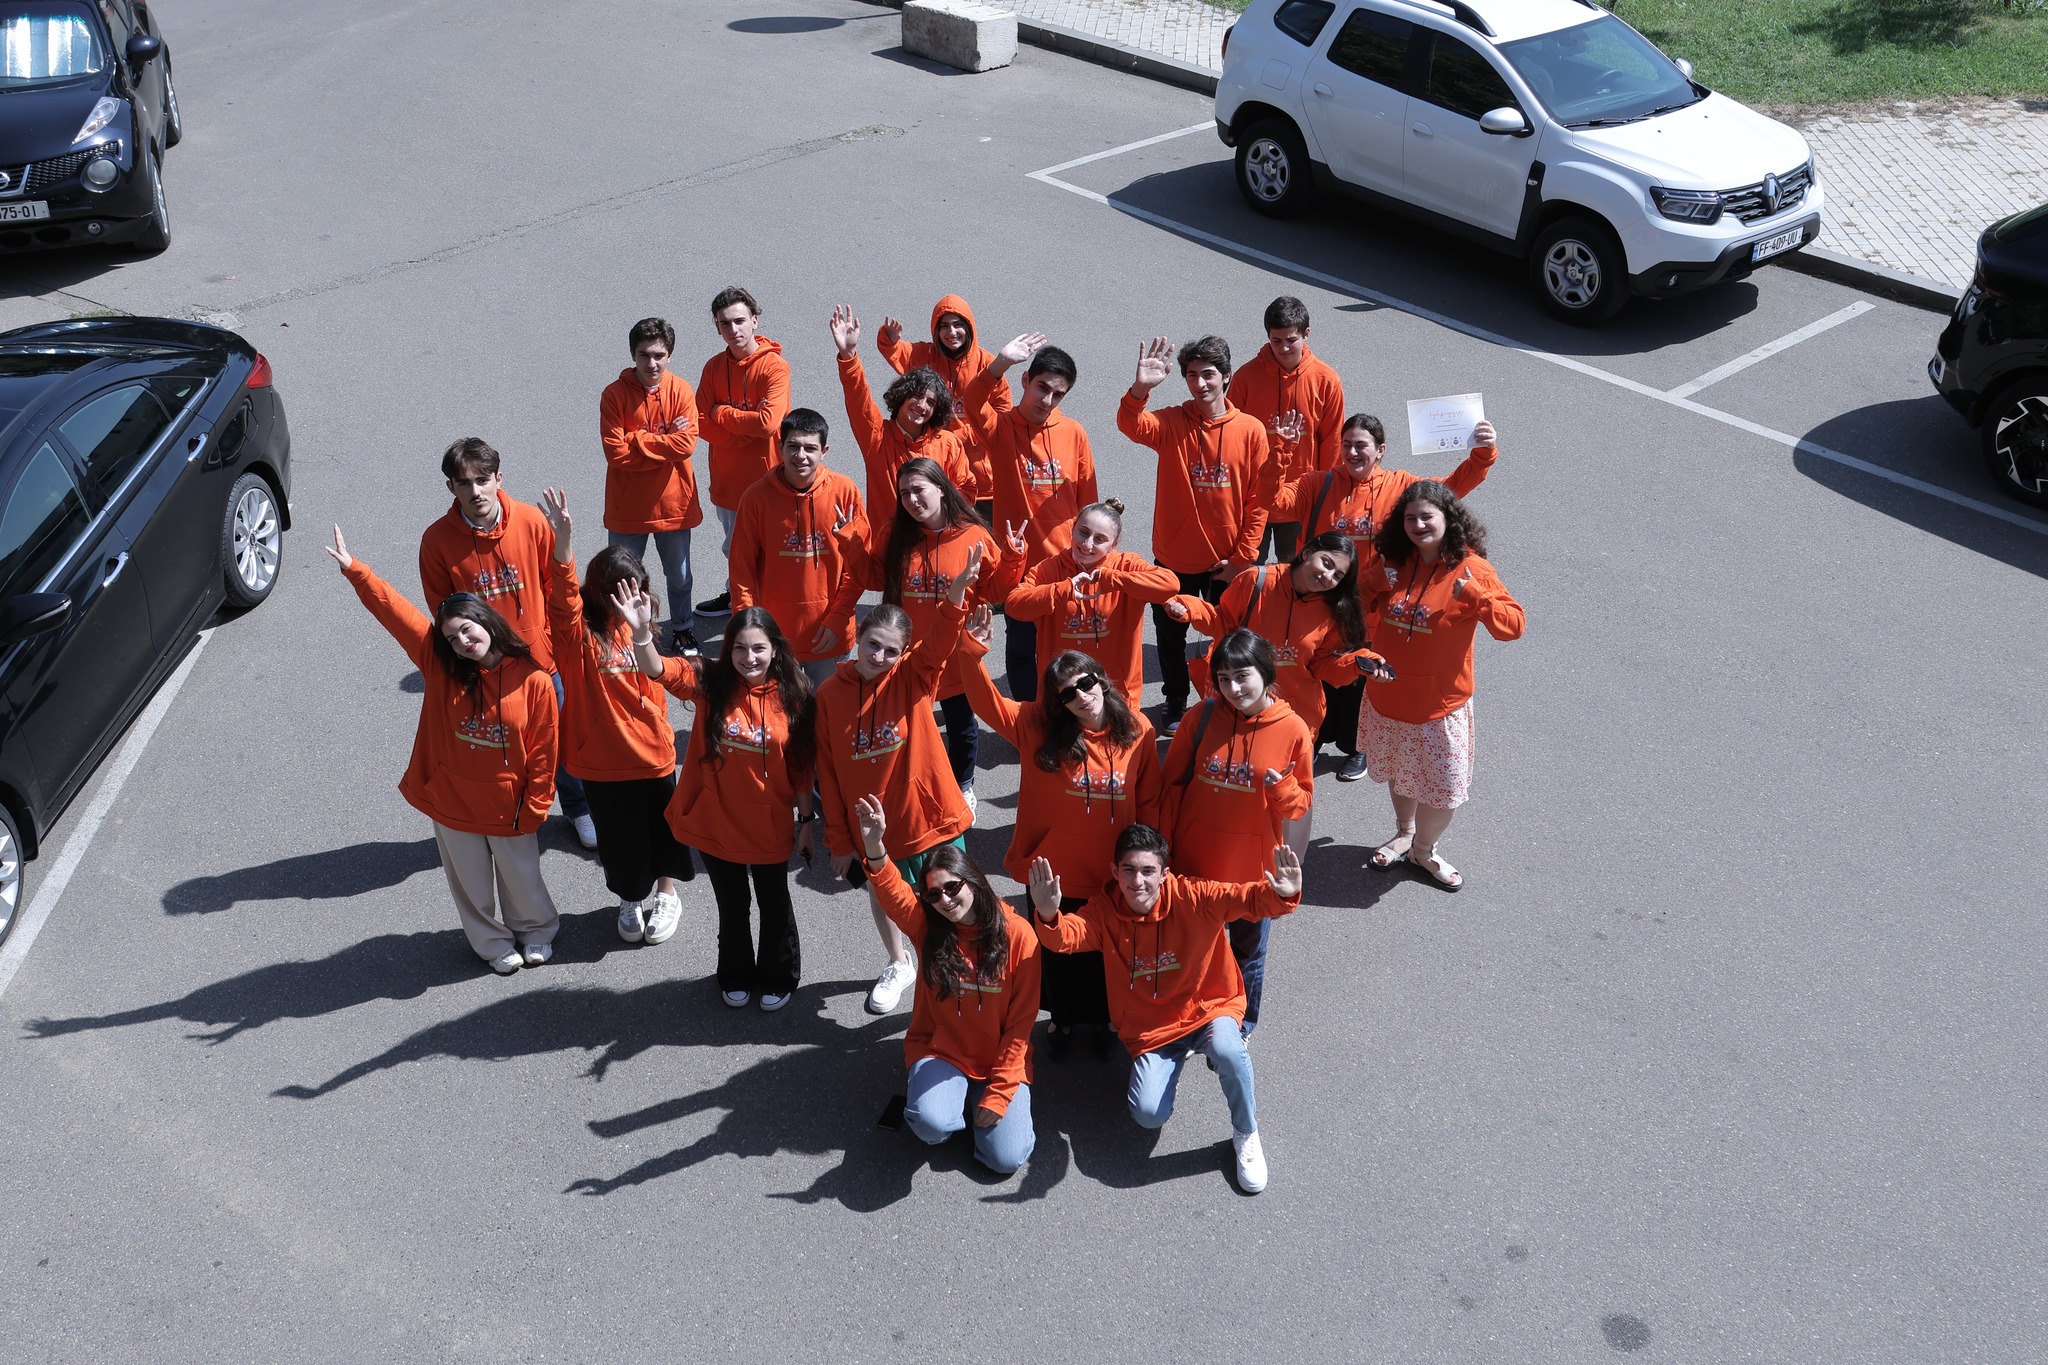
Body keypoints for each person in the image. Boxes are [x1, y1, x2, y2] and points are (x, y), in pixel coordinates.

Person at [328, 527, 560, 975]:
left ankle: (536, 931)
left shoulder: (534, 680)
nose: (463, 643)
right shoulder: (439, 665)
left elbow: (545, 751)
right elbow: (396, 612)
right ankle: (491, 943)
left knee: (522, 877)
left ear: (486, 621)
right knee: (471, 885)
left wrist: (536, 805)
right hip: (453, 802)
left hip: (508, 806)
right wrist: (358, 572)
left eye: (467, 630)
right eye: (452, 638)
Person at [1027, 825, 1304, 1194]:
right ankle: (1173, 1063)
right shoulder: (1104, 911)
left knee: (1227, 1049)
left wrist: (1282, 893)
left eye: (1148, 871)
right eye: (1128, 870)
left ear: (1164, 873)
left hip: (1207, 1009)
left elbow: (1247, 900)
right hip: (1153, 1029)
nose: (1137, 881)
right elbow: (1067, 937)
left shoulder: (1195, 895)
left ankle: (1246, 1131)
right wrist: (1048, 914)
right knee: (1148, 1114)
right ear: (1114, 872)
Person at [959, 609, 1161, 1058]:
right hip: (1053, 873)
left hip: (1112, 874)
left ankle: (1106, 1021)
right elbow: (985, 702)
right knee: (1056, 955)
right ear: (1057, 703)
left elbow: (1148, 802)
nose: (1080, 696)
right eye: (1067, 693)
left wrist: (1149, 861)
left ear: (1101, 680)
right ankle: (1064, 1021)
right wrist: (971, 653)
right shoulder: (1036, 727)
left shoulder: (1139, 731)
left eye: (1086, 683)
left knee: (1107, 954)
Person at [1272, 413, 1498, 780]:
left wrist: (1481, 455)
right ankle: (1311, 740)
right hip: (1320, 603)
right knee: (1314, 671)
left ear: (1380, 450)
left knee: (1361, 678)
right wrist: (1281, 450)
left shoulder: (1400, 486)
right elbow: (1273, 502)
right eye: (1347, 445)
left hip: (1372, 607)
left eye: (1361, 446)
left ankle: (1356, 748)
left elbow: (1449, 490)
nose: (1353, 453)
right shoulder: (1318, 484)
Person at [815, 545, 985, 1016]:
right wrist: (839, 840)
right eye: (874, 644)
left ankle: (963, 965)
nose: (880, 656)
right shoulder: (829, 695)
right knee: (886, 895)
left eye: (892, 650)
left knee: (953, 898)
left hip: (932, 820)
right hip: (875, 829)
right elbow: (827, 771)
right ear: (859, 637)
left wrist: (956, 593)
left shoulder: (913, 676)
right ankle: (898, 962)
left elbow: (940, 640)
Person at [630, 600, 819, 1009]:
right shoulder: (711, 681)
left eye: (759, 648)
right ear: (728, 649)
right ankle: (734, 973)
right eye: (739, 648)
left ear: (775, 649)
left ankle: (779, 975)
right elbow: (658, 669)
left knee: (773, 903)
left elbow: (802, 767)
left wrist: (806, 821)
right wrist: (642, 634)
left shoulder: (797, 693)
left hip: (769, 823)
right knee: (732, 905)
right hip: (716, 821)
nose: (749, 658)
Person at [417, 437, 593, 850]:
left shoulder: (531, 522)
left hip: (542, 663)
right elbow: (442, 610)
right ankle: (509, 813)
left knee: (559, 740)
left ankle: (579, 808)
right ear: (451, 488)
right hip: (484, 670)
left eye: (483, 480)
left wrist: (559, 643)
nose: (475, 491)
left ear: (499, 478)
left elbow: (558, 588)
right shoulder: (437, 541)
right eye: (464, 483)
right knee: (500, 747)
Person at [539, 489, 695, 946]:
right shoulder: (576, 635)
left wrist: (643, 626)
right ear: (600, 592)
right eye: (623, 592)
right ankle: (630, 899)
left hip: (652, 753)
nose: (633, 600)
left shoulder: (641, 624)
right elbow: (563, 599)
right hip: (601, 761)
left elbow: (661, 676)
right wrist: (563, 543)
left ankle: (667, 894)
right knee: (618, 838)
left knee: (663, 830)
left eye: (639, 590)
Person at [854, 794, 1039, 1175]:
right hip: (942, 1052)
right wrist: (875, 846)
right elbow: (893, 892)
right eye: (934, 894)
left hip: (998, 1060)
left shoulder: (1020, 935)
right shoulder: (928, 927)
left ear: (973, 881)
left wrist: (1000, 1094)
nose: (945, 900)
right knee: (930, 1125)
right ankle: (951, 1104)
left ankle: (973, 1105)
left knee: (1006, 1159)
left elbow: (1021, 1026)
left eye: (952, 887)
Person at [1358, 481, 1523, 892]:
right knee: (1400, 773)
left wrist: (1478, 597)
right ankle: (1404, 833)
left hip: (1440, 706)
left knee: (1443, 791)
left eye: (1427, 516)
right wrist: (1371, 583)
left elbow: (1513, 627)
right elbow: (1349, 614)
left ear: (1449, 519)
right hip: (1389, 697)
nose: (1418, 525)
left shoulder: (1473, 570)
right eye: (1410, 518)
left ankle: (1424, 850)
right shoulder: (1391, 562)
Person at [839, 457, 1019, 812]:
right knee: (904, 725)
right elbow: (874, 577)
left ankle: (962, 786)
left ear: (941, 488)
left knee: (960, 725)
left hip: (954, 650)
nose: (911, 499)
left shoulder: (973, 534)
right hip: (904, 654)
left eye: (918, 489)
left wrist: (1013, 558)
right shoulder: (895, 533)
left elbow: (996, 588)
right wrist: (851, 542)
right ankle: (905, 788)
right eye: (904, 493)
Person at [1159, 630, 1314, 1037]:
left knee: (1249, 953)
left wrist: (1283, 788)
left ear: (1265, 672)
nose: (1233, 688)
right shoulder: (1201, 717)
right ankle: (1192, 1016)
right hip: (1194, 864)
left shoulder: (1293, 729)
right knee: (1194, 949)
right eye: (1224, 678)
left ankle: (1241, 1024)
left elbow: (1300, 806)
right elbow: (1169, 787)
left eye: (1242, 676)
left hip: (1253, 870)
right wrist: (1162, 849)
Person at [1117, 335, 1269, 734]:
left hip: (1226, 563)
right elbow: (1131, 425)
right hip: (1174, 560)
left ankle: (1225, 701)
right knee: (1170, 638)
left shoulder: (1251, 431)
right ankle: (1175, 699)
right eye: (1191, 375)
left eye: (1208, 374)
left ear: (1227, 376)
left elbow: (1259, 501)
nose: (1200, 383)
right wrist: (1140, 389)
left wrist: (1242, 559)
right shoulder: (1172, 422)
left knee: (1229, 639)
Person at [964, 331, 1096, 702]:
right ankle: (1027, 716)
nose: (1047, 400)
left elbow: (1088, 501)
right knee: (1022, 648)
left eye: (1058, 394)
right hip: (1017, 565)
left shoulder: (1074, 433)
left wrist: (1091, 556)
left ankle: (1066, 712)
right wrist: (1001, 362)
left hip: (1065, 564)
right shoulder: (1000, 428)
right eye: (1042, 388)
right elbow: (972, 400)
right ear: (1025, 380)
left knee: (1066, 651)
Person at [1163, 531, 1387, 739]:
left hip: (1293, 715)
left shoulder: (1332, 609)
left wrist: (1358, 663)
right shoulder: (1257, 581)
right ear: (1307, 552)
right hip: (1237, 703)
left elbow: (1321, 664)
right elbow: (1222, 622)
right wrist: (1189, 607)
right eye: (1326, 563)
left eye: (1337, 575)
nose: (1327, 576)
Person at [728, 408, 870, 689]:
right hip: (774, 637)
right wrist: (750, 628)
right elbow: (741, 570)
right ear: (780, 446)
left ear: (824, 451)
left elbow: (858, 567)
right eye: (793, 446)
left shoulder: (845, 492)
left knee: (827, 710)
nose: (800, 456)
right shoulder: (756, 497)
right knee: (779, 712)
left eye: (810, 448)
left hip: (829, 635)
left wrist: (839, 617)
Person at [1003, 500, 1180, 707]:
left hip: (1116, 692)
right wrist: (1064, 590)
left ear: (1113, 545)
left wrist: (1110, 579)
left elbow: (1170, 584)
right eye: (1083, 532)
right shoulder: (1049, 569)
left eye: (1100, 539)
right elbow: (1014, 605)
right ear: (1072, 529)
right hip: (1064, 693)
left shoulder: (1126, 565)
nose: (1087, 544)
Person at [599, 316, 704, 658]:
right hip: (627, 508)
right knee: (622, 580)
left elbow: (686, 446)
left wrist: (637, 439)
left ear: (669, 355)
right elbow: (615, 454)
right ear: (633, 355)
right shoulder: (614, 395)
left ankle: (683, 630)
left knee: (680, 577)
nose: (652, 363)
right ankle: (624, 636)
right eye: (644, 355)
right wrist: (663, 441)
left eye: (659, 355)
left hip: (674, 505)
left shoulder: (682, 390)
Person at [829, 304, 973, 551]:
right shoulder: (877, 437)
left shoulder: (948, 443)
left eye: (931, 402)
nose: (922, 405)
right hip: (890, 549)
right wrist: (848, 355)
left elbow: (967, 488)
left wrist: (941, 518)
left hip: (937, 547)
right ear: (902, 397)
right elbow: (858, 398)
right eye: (916, 396)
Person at [694, 285, 792, 620]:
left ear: (754, 320)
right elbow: (699, 422)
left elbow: (767, 423)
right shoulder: (712, 368)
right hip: (728, 481)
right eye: (725, 323)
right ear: (717, 327)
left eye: (739, 321)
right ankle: (737, 596)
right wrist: (742, 433)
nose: (733, 329)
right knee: (734, 549)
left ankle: (772, 610)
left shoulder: (775, 367)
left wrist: (722, 413)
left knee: (770, 549)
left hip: (767, 479)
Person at [1226, 296, 1346, 566]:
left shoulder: (1326, 381)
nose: (1283, 348)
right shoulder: (1246, 377)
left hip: (1299, 500)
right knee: (1248, 572)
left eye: (1291, 339)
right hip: (1252, 498)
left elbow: (1332, 442)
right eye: (1276, 340)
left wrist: (1325, 495)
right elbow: (1231, 437)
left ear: (1306, 334)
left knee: (1295, 573)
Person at [876, 294, 1011, 515]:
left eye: (958, 325)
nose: (951, 332)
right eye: (944, 326)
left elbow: (1002, 418)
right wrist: (889, 338)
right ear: (936, 331)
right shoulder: (925, 355)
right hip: (935, 476)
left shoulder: (988, 365)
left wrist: (962, 436)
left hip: (983, 483)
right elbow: (897, 351)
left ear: (969, 327)